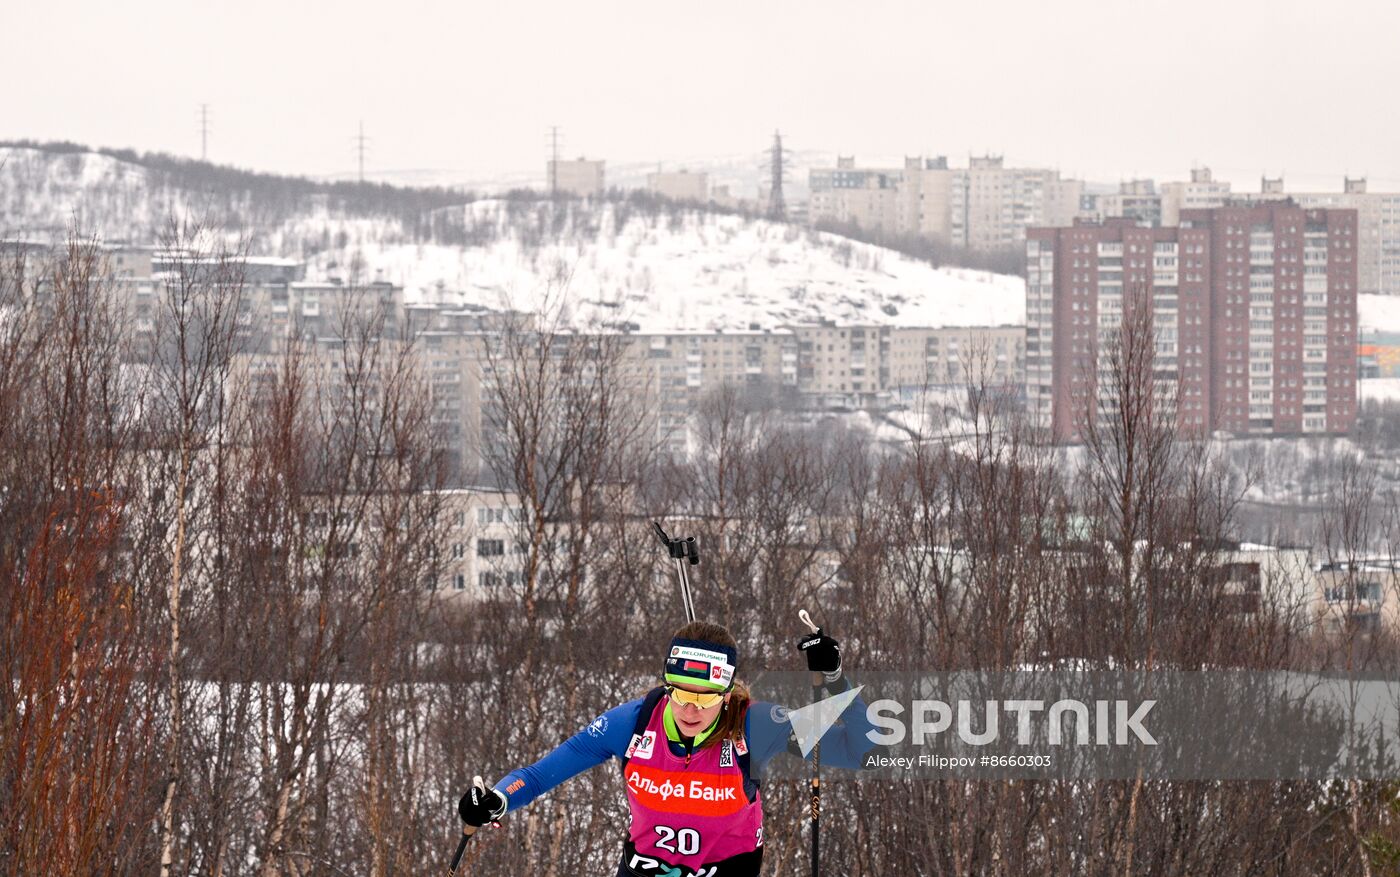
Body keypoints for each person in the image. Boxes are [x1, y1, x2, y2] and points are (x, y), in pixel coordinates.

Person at [458, 619, 873, 877]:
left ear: (727, 695)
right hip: (643, 871)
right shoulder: (633, 723)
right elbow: (537, 776)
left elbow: (863, 752)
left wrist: (835, 678)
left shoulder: (755, 724)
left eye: (707, 697)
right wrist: (495, 800)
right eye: (680, 693)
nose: (691, 708)